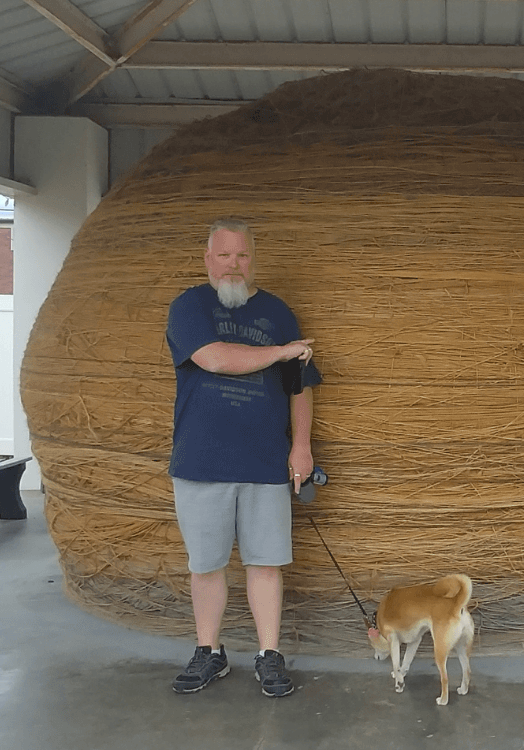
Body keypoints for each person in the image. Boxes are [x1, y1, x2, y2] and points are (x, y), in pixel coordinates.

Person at [165, 217, 322, 697]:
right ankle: (209, 653)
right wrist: (280, 352)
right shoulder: (189, 306)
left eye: (243, 255)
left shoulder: (278, 312)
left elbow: (301, 387)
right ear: (207, 259)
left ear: (254, 259)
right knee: (206, 564)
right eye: (224, 255)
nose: (234, 264)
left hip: (265, 461)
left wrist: (301, 447)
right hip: (200, 461)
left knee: (266, 562)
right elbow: (213, 357)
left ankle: (268, 655)